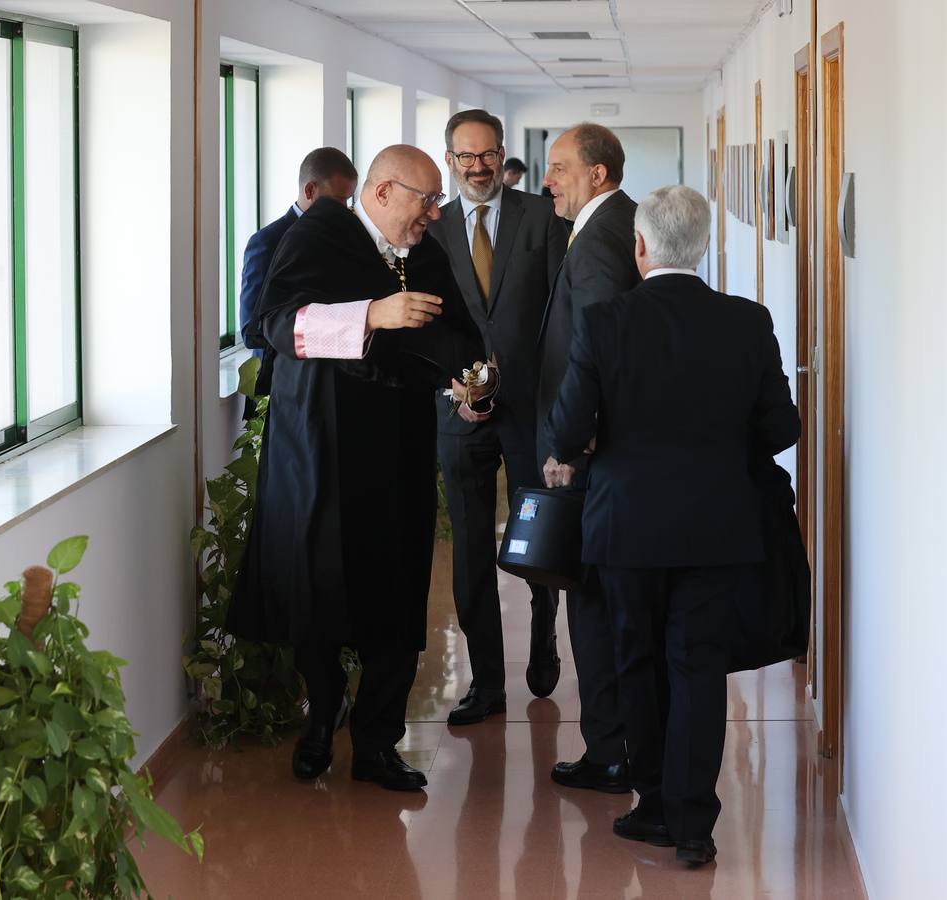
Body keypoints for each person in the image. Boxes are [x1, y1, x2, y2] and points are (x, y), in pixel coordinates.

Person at [544, 185, 800, 866]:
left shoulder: (605, 323)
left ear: (640, 248)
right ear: (705, 246)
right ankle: (695, 827)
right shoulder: (748, 322)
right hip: (718, 526)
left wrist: (601, 442)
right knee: (698, 667)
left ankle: (653, 805)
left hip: (626, 527)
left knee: (639, 660)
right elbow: (782, 426)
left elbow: (567, 432)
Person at [228, 145, 488, 791]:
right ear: (380, 193)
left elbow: (453, 331)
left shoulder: (423, 248)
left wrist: (468, 380)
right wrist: (372, 314)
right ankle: (321, 716)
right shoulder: (318, 234)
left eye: (436, 200)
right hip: (320, 442)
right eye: (423, 199)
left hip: (398, 445)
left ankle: (377, 743)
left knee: (398, 595)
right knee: (318, 589)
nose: (433, 212)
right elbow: (272, 323)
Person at [428, 110, 569, 726]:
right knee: (471, 548)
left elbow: (563, 312)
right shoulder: (430, 232)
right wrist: (449, 384)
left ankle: (544, 639)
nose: (478, 166)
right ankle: (487, 681)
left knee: (539, 535)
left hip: (529, 411)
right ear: (451, 159)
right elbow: (425, 322)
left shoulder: (540, 217)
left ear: (502, 154)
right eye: (466, 156)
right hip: (461, 412)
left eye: (487, 155)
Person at [536, 123, 640, 793]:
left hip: (596, 454)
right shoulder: (617, 225)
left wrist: (573, 443)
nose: (549, 179)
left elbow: (597, 347)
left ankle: (608, 750)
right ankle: (622, 742)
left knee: (593, 604)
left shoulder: (600, 239)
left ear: (597, 175)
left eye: (560, 168)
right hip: (616, 448)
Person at [238, 147, 359, 356]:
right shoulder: (267, 242)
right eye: (338, 200)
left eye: (348, 200)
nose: (344, 208)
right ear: (310, 191)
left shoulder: (346, 236)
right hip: (284, 376)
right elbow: (251, 330)